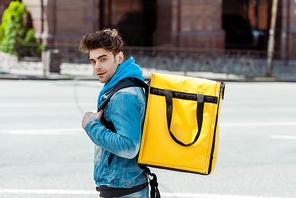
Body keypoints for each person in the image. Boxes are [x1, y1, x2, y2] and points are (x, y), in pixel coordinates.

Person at [79, 29, 149, 198]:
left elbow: (129, 147)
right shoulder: (125, 84)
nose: (97, 66)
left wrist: (91, 126)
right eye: (93, 61)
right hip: (126, 186)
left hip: (123, 190)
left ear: (119, 58)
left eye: (103, 59)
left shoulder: (123, 95)